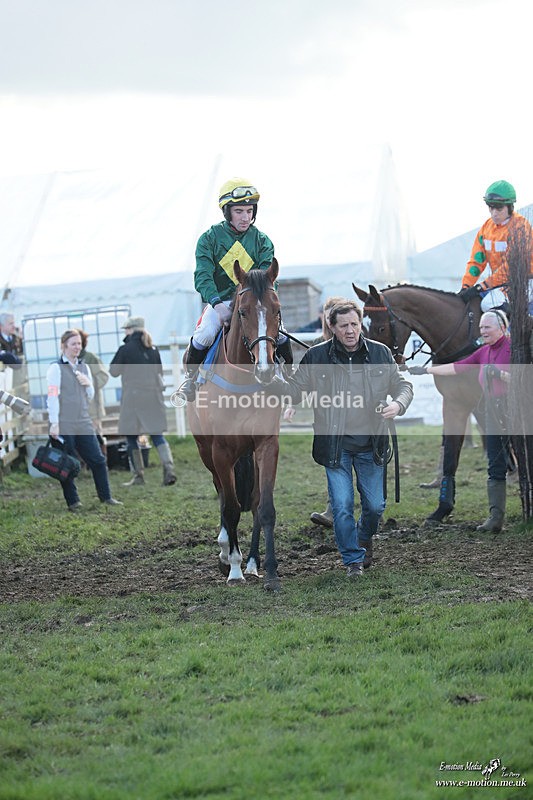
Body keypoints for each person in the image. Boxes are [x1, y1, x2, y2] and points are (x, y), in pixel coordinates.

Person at [278, 300, 413, 578]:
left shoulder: (380, 352)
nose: (350, 331)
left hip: (372, 445)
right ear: (332, 327)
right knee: (341, 507)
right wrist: (274, 377)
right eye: (343, 326)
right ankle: (353, 560)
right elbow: (295, 390)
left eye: (354, 324)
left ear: (360, 323)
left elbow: (402, 385)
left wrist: (398, 404)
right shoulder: (317, 356)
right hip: (335, 447)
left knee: (375, 507)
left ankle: (364, 538)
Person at [179, 177, 292, 401]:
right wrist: (217, 305)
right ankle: (190, 380)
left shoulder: (262, 240)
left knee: (280, 337)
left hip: (255, 302)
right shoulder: (209, 239)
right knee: (204, 334)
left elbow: (268, 278)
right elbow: (202, 276)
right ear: (227, 212)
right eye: (239, 211)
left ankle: (286, 378)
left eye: (249, 211)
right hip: (221, 303)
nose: (245, 217)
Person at [409, 310, 511, 532]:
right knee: (495, 465)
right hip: (494, 413)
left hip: (515, 411)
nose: (482, 331)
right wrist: (425, 370)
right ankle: (496, 518)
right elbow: (457, 367)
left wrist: (501, 374)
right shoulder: (483, 352)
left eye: (487, 327)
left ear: (502, 328)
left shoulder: (512, 348)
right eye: (481, 327)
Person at [46, 329, 122, 512]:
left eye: (79, 343)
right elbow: (52, 397)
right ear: (64, 346)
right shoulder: (55, 369)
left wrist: (88, 384)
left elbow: (89, 396)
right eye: (73, 344)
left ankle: (106, 496)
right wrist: (54, 422)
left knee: (97, 459)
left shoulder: (84, 366)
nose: (77, 347)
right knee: (68, 462)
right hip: (64, 422)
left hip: (83, 420)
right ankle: (73, 502)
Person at [110, 316, 177, 487]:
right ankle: (169, 471)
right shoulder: (153, 349)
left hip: (132, 398)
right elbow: (159, 371)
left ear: (131, 330)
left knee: (131, 437)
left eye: (126, 329)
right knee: (157, 436)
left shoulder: (125, 349)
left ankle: (138, 476)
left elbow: (114, 371)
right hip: (153, 397)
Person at [458, 180, 533, 312]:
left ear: (510, 207)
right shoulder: (486, 227)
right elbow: (476, 262)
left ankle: (511, 331)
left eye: (499, 208)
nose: (494, 213)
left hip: (525, 282)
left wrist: (481, 286)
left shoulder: (520, 227)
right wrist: (466, 286)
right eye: (491, 207)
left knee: (488, 304)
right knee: (474, 302)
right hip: (499, 284)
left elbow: (510, 268)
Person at [308, 296, 349, 529]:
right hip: (328, 417)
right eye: (327, 311)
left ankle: (371, 508)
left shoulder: (358, 343)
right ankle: (333, 509)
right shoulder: (316, 345)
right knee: (334, 463)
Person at [77, 329, 109, 442]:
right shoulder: (65, 360)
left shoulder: (90, 358)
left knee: (96, 437)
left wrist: (88, 385)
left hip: (92, 407)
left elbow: (103, 376)